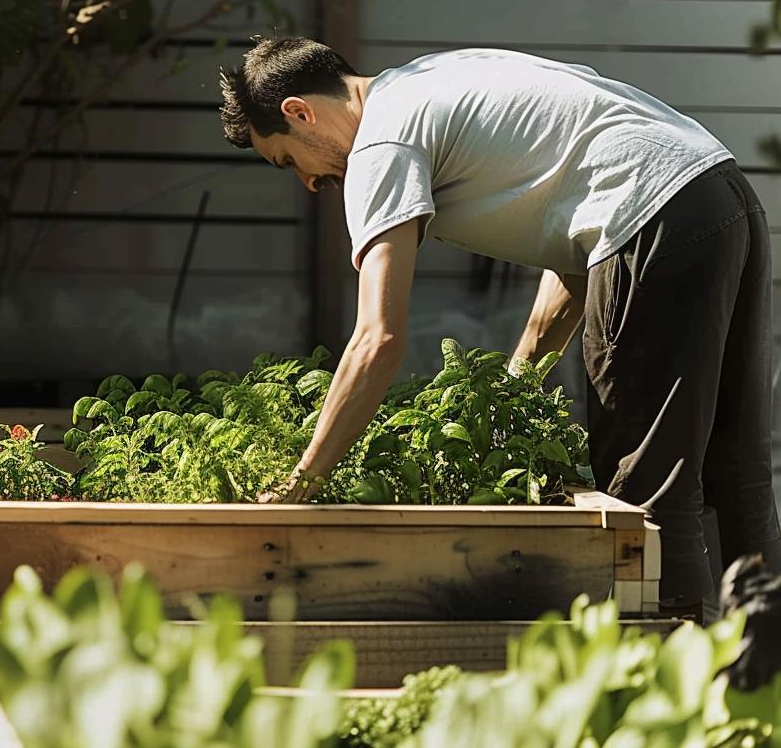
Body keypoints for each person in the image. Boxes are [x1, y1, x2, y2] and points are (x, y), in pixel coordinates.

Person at [218, 37, 781, 617]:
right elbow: (577, 230)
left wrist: (301, 482)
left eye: (288, 159)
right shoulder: (435, 78)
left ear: (298, 111)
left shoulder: (381, 141)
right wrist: (514, 383)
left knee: (648, 486)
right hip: (718, 190)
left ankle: (668, 688)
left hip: (650, 217)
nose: (309, 182)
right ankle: (766, 677)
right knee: (738, 470)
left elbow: (377, 339)